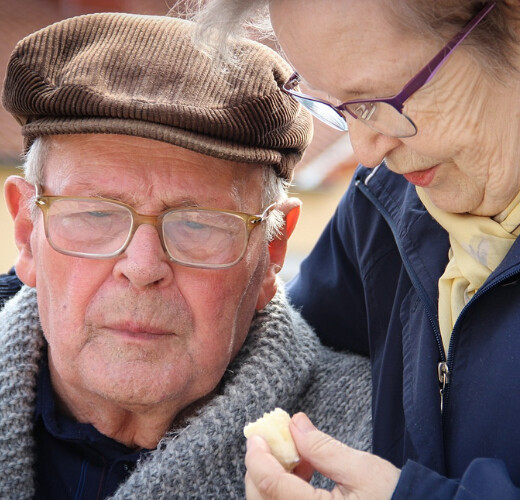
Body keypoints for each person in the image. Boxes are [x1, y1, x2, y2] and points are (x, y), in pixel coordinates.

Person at [193, 0, 520, 498]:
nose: (365, 151)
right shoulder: (383, 205)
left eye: (388, 98)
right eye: (340, 106)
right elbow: (297, 346)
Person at [0, 13, 372, 500]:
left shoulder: (376, 443)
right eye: (94, 215)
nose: (143, 267)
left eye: (197, 224)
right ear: (27, 234)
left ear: (272, 250)